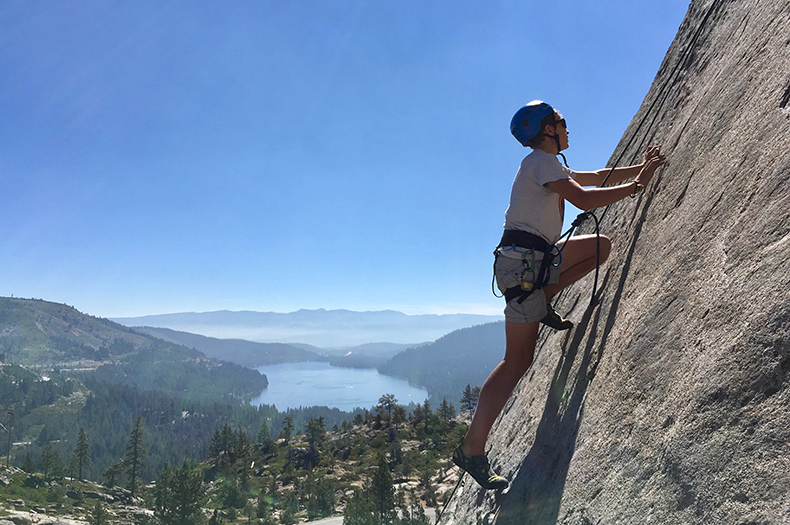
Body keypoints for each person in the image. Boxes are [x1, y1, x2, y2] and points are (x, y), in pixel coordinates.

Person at [452, 100, 666, 490]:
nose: (567, 126)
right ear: (547, 130)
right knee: (516, 362)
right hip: (523, 270)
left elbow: (596, 177)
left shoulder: (546, 164)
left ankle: (544, 300)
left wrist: (642, 167)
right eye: (561, 122)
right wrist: (638, 185)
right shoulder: (540, 162)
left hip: (532, 262)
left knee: (600, 246)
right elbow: (583, 198)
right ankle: (471, 448)